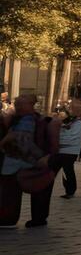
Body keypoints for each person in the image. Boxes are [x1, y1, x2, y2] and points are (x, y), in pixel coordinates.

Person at [0, 94, 56, 228]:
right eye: (16, 103)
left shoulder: (26, 120)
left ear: (29, 105)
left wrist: (38, 158)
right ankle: (35, 218)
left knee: (10, 192)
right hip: (23, 161)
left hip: (16, 162)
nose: (17, 106)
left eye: (20, 104)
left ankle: (9, 218)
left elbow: (22, 141)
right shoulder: (26, 119)